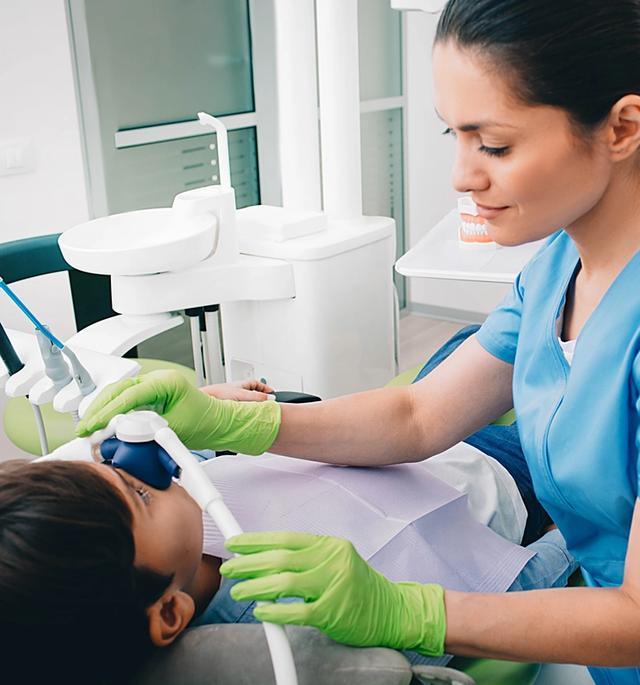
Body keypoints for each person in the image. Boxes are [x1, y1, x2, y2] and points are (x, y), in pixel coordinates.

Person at [77, 1, 640, 681]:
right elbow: (418, 414)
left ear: (622, 127)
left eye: (492, 143)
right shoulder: (557, 267)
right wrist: (237, 420)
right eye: (453, 137)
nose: (462, 175)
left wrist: (412, 612)